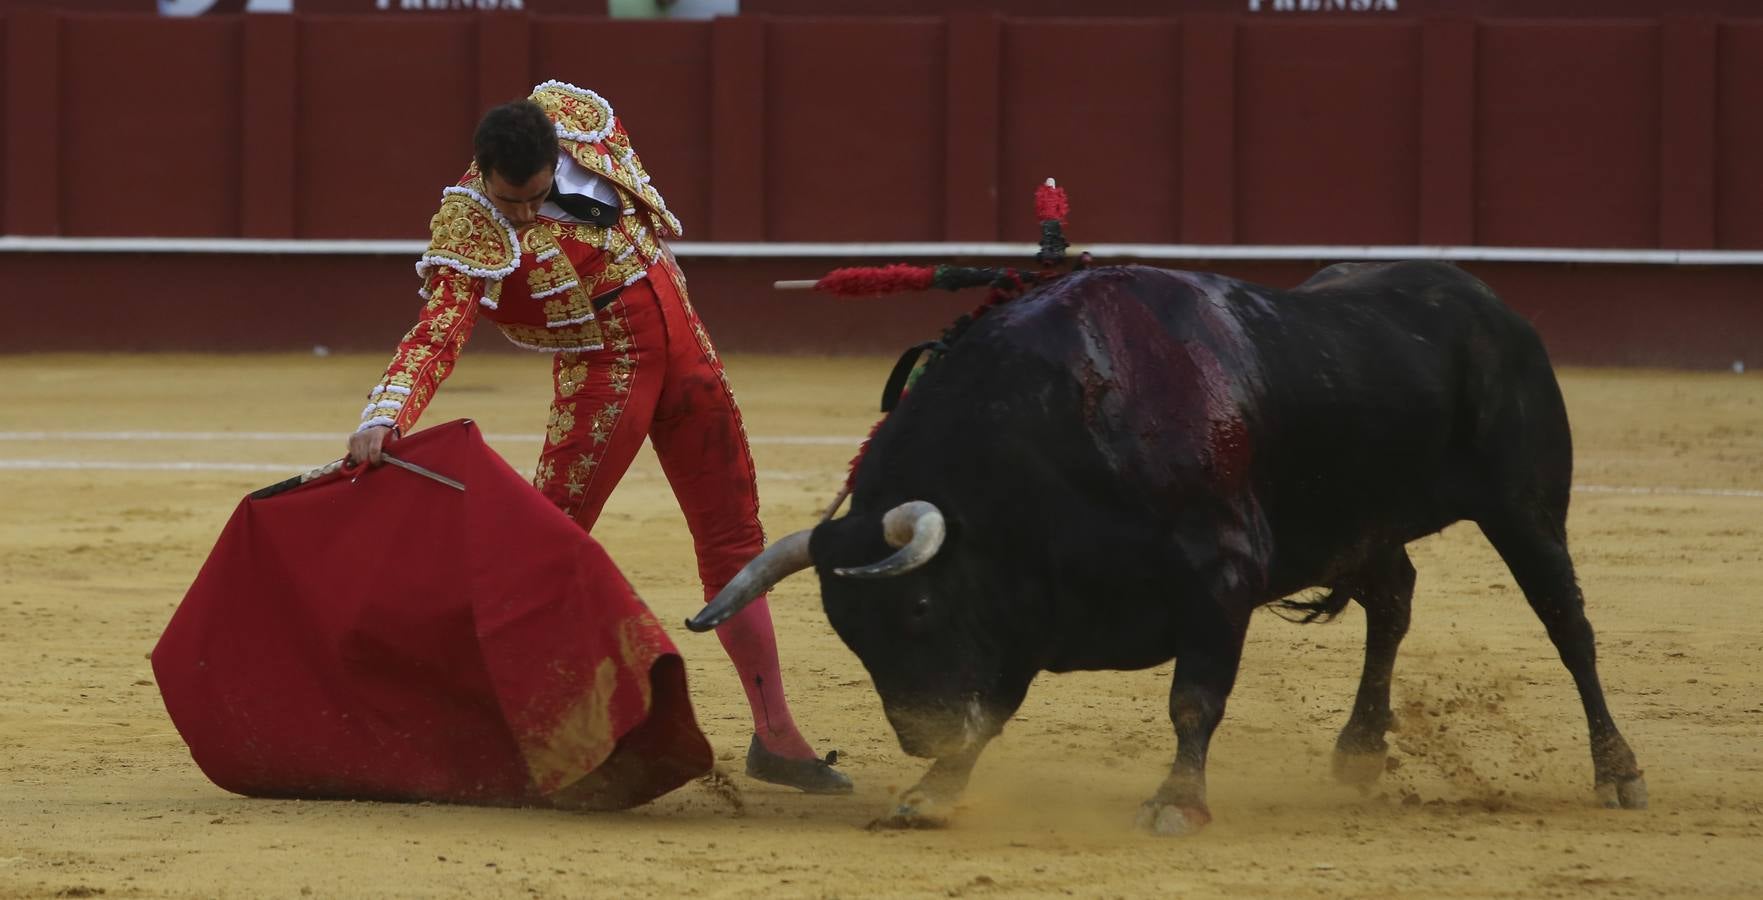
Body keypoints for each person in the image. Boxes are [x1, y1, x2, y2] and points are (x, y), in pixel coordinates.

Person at [344, 80, 850, 794]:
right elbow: (439, 329)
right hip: (606, 370)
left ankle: (777, 737)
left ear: (556, 156)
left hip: (686, 348)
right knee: (543, 549)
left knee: (734, 539)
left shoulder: (582, 123)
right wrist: (386, 414)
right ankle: (503, 732)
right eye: (509, 201)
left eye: (534, 196)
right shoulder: (469, 224)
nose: (523, 213)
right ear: (483, 173)